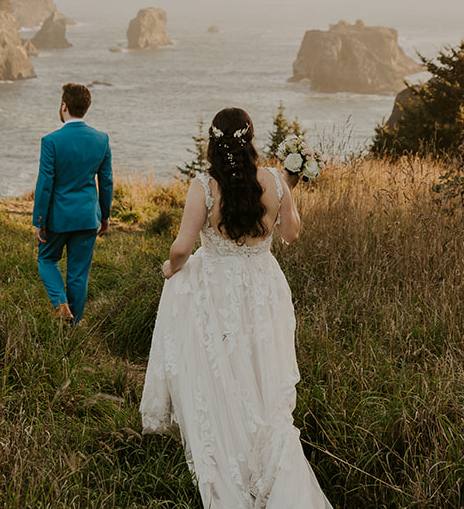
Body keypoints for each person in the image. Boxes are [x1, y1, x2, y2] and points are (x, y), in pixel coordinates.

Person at [140, 107, 332, 508]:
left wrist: (169, 268)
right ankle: (269, 459)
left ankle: (233, 454)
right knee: (262, 371)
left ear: (213, 142)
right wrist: (289, 191)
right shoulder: (277, 180)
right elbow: (291, 235)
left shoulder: (205, 186)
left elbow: (180, 247)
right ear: (251, 139)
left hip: (218, 292)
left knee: (224, 371)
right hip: (262, 288)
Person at [32, 82, 113, 324]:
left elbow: (45, 184)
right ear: (86, 108)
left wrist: (39, 220)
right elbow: (106, 181)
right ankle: (72, 327)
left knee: (46, 260)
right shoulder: (101, 139)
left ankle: (60, 304)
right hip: (88, 217)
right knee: (78, 275)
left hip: (57, 218)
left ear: (64, 106)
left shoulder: (51, 141)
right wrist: (105, 215)